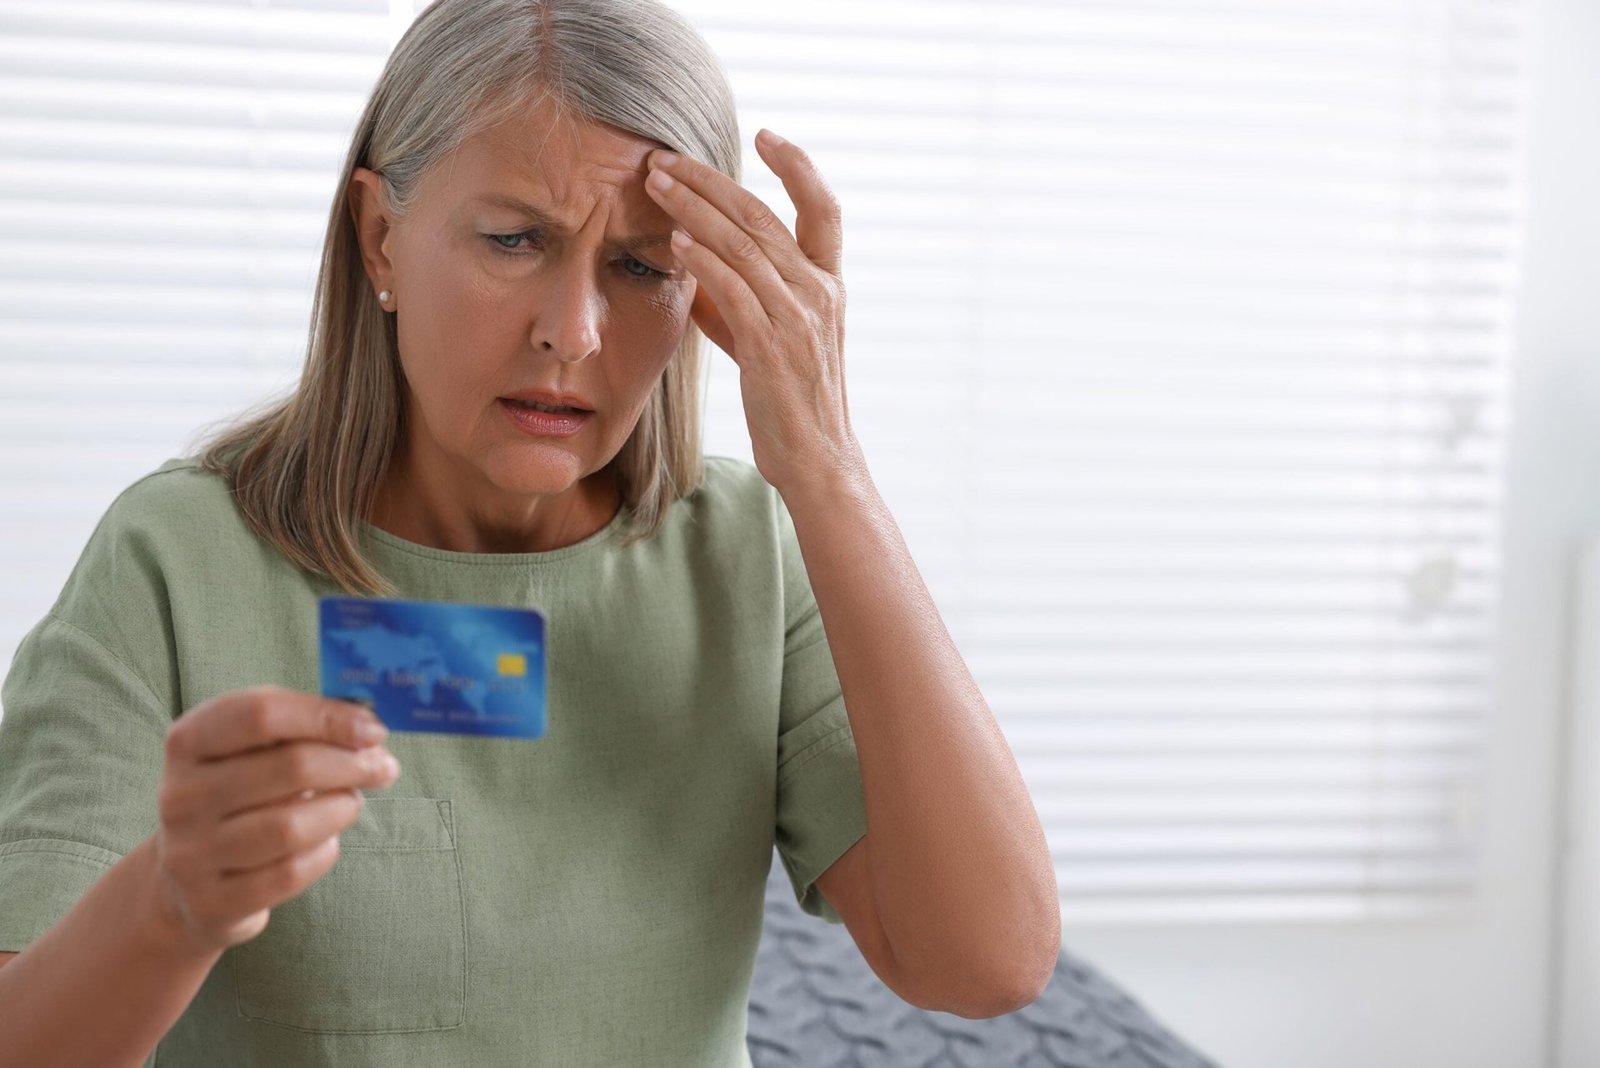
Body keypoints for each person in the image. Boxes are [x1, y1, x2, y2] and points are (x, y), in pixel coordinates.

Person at [0, 0, 1061, 1064]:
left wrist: (828, 469)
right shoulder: (178, 561)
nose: (573, 331)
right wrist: (170, 904)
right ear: (379, 237)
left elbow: (987, 964)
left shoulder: (744, 551)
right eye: (515, 241)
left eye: (641, 267)